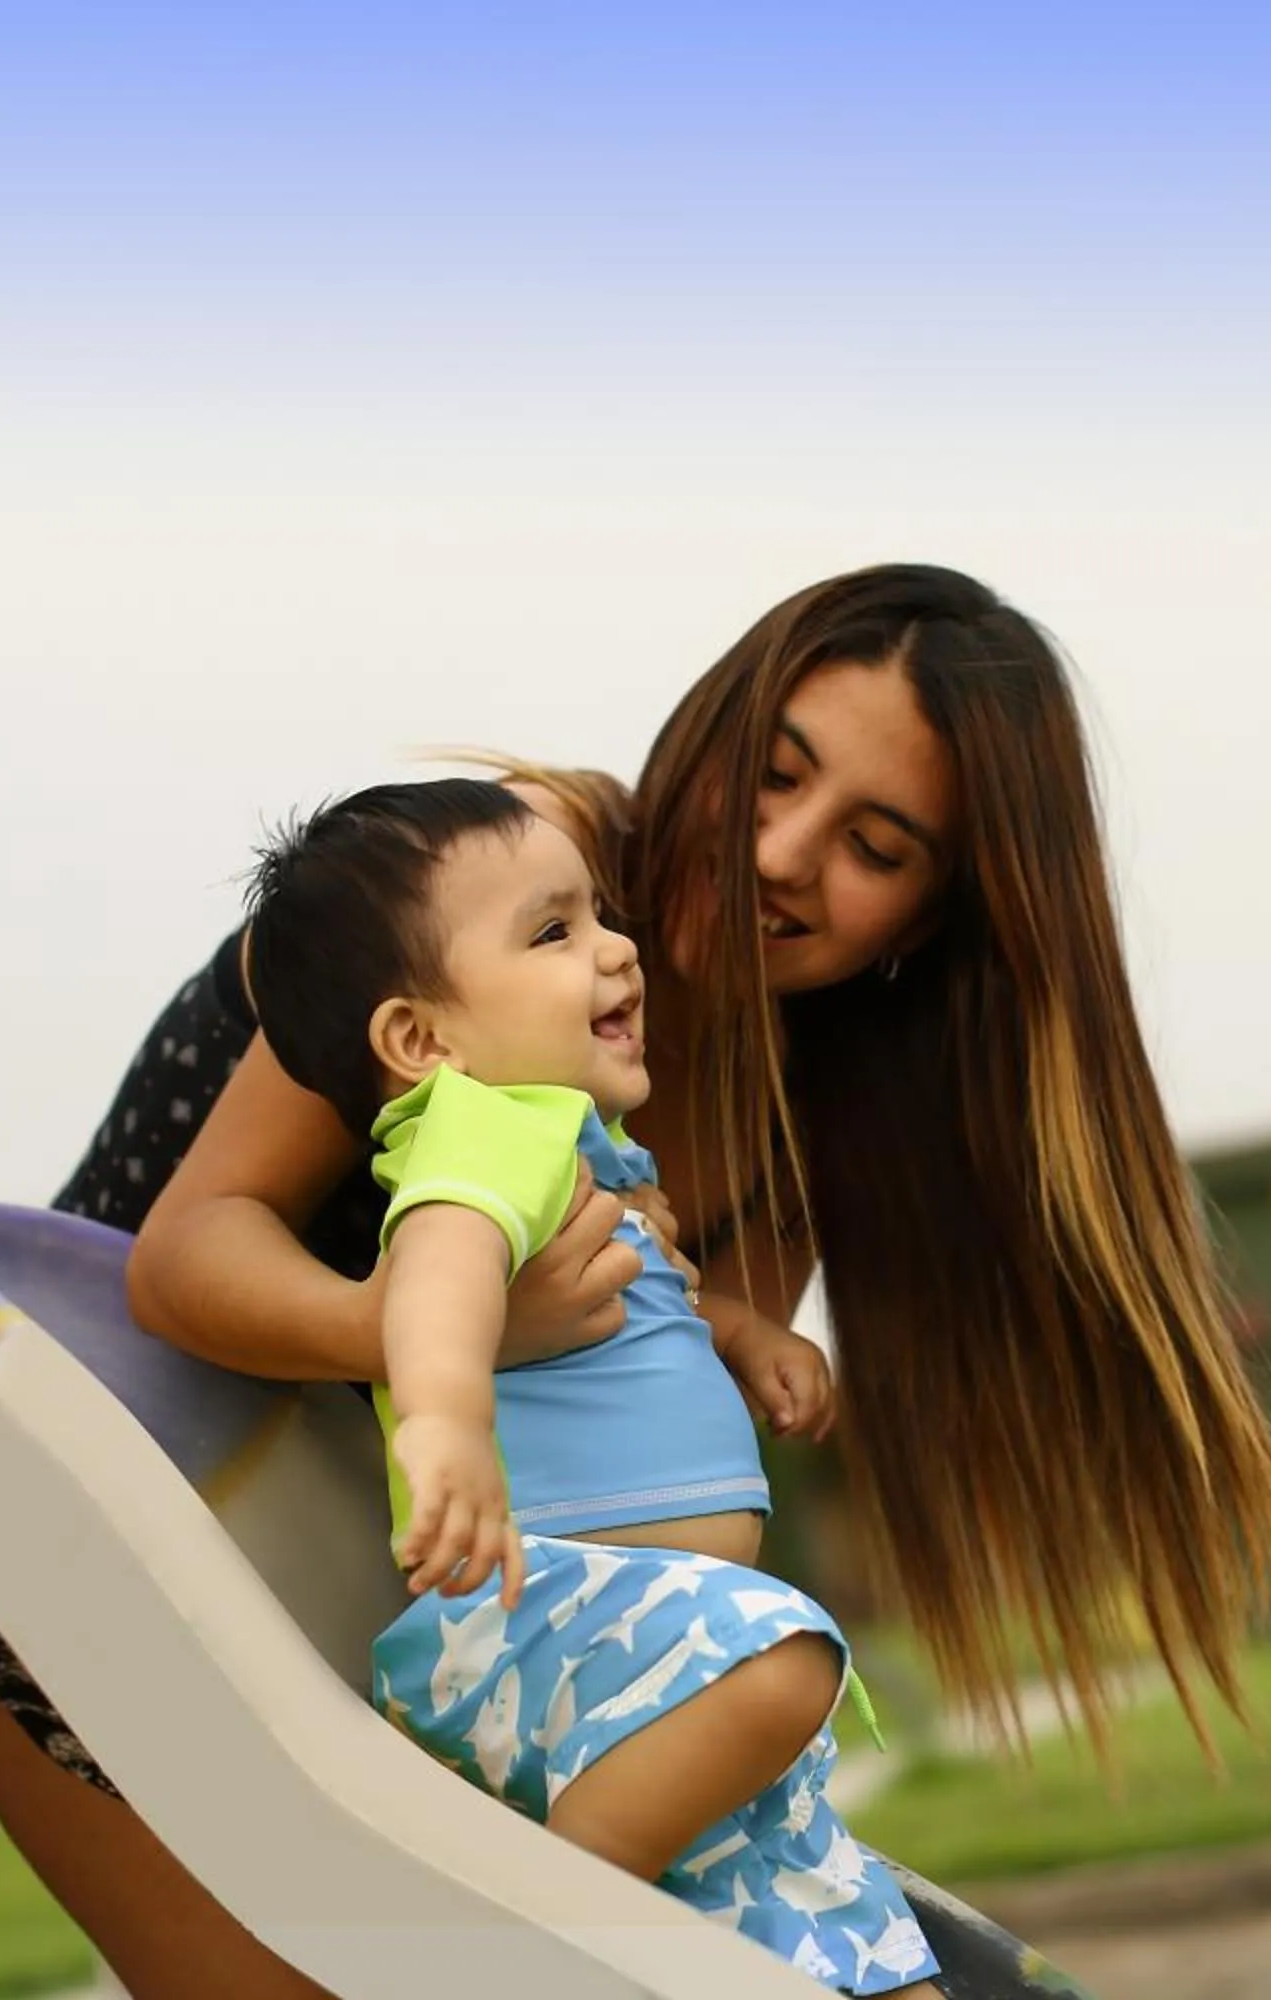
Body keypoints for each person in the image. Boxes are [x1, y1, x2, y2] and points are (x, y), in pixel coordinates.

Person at [0, 564, 1271, 1996]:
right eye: (773, 774)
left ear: (931, 920)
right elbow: (188, 1248)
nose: (782, 850)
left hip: (430, 1617)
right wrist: (419, 1331)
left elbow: (643, 1454)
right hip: (114, 1543)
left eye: (875, 847)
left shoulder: (803, 1104)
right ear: (714, 726)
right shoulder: (484, 893)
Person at [241, 775, 926, 1992]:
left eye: (601, 916)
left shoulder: (582, 1152)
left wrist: (735, 1329)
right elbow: (434, 1283)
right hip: (541, 1622)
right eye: (554, 932)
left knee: (868, 1959)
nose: (617, 951)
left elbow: (633, 1301)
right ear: (423, 1041)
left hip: (645, 1673)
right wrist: (444, 1421)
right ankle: (545, 1941)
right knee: (788, 1662)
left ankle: (605, 1915)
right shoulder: (480, 1133)